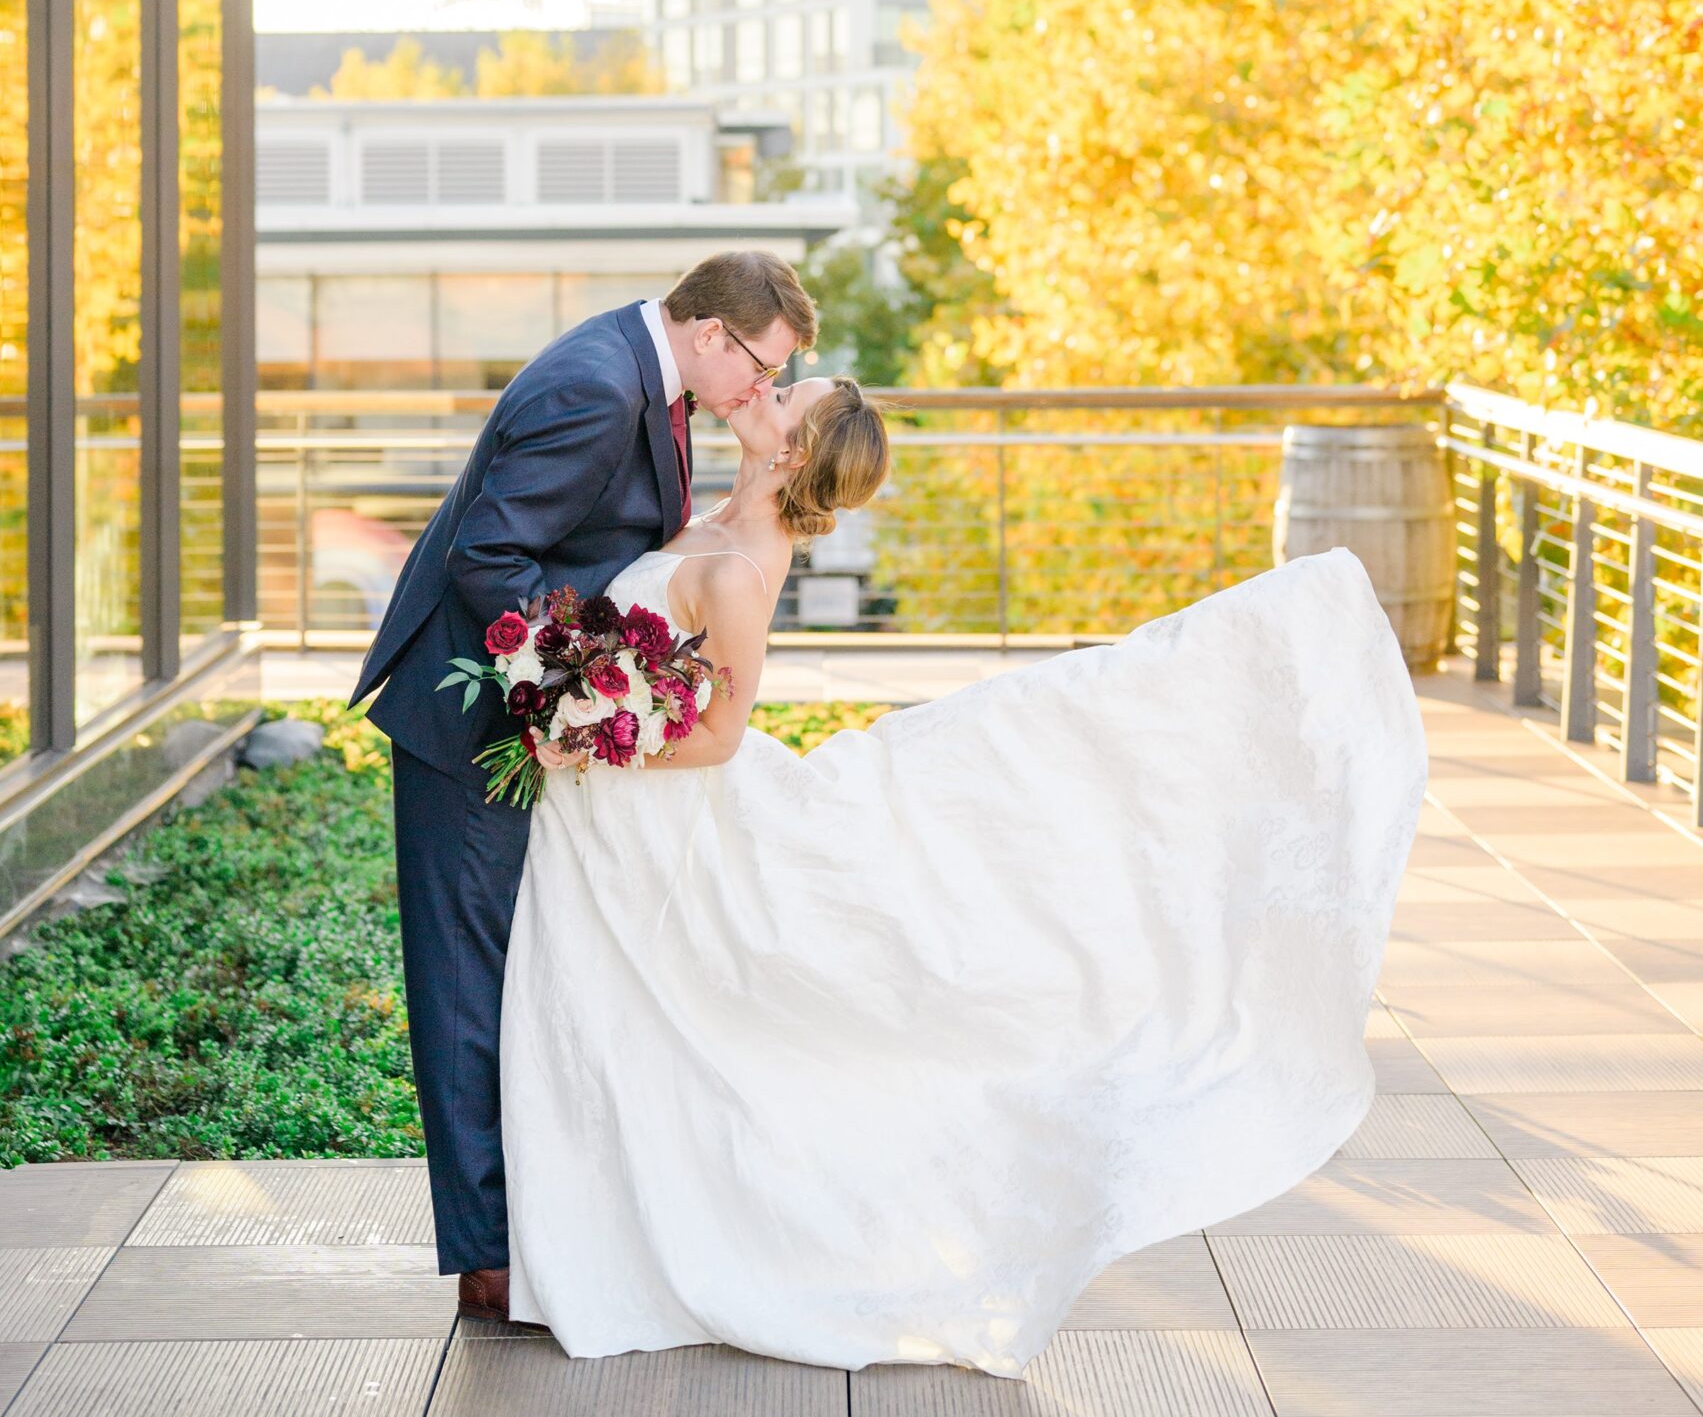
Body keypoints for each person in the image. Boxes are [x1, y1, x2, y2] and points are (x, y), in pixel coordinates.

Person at [501, 378, 1428, 1374]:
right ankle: (596, 1237)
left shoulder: (737, 567)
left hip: (647, 809)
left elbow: (721, 736)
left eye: (787, 395)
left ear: (791, 448)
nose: (763, 392)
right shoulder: (704, 514)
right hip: (611, 815)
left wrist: (586, 740)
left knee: (666, 1015)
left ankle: (664, 1246)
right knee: (605, 1017)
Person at [349, 250, 817, 1321]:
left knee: (519, 973)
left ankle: (534, 1221)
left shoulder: (638, 373)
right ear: (709, 332)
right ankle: (488, 1258)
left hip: (520, 720)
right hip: (466, 722)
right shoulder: (596, 388)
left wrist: (608, 691)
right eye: (757, 366)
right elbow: (489, 559)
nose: (756, 389)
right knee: (466, 984)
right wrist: (593, 684)